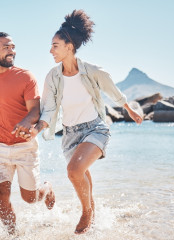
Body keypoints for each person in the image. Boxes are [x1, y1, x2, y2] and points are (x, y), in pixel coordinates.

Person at [21, 10, 143, 234]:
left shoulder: (92, 71)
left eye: (55, 45)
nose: (51, 50)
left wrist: (130, 110)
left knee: (74, 170)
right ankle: (93, 211)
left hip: (95, 128)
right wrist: (37, 128)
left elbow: (113, 91)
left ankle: (86, 212)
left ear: (69, 46)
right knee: (82, 173)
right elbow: (47, 110)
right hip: (70, 135)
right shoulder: (53, 76)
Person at [0, 32, 55, 234]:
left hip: (24, 145)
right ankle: (13, 235)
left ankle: (47, 188)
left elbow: (35, 110)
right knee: (1, 194)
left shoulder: (25, 77)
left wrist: (25, 122)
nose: (12, 51)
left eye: (13, 47)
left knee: (30, 198)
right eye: (6, 47)